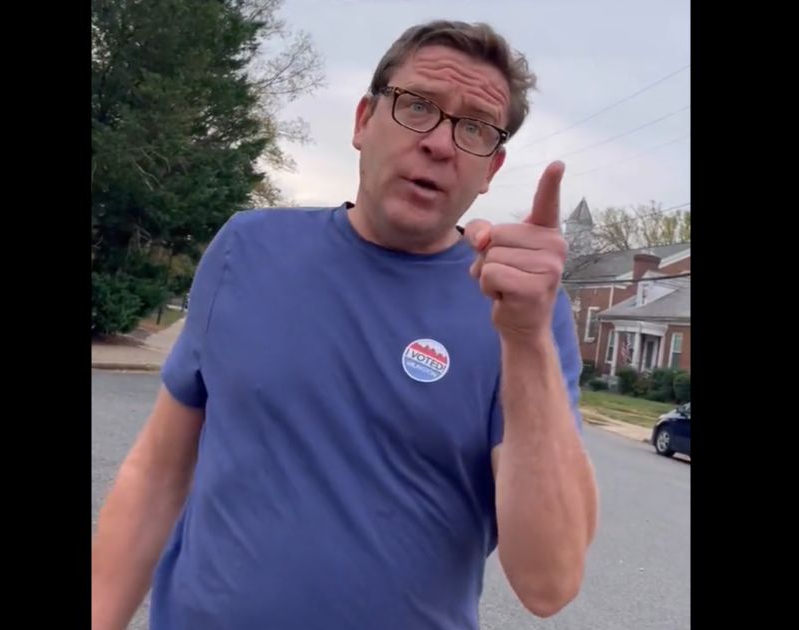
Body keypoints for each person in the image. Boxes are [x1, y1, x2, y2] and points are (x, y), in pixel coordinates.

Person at [91, 19, 599, 630]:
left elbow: (549, 582)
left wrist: (524, 339)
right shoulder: (245, 250)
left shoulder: (522, 313)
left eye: (473, 128)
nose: (439, 143)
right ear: (364, 121)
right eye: (417, 106)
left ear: (491, 168)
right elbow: (156, 475)